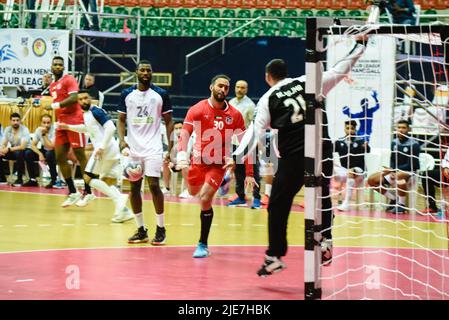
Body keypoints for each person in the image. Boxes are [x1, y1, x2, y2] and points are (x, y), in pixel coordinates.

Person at [234, 36, 368, 276]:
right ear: (287, 73)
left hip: (295, 156)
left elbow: (254, 132)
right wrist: (360, 45)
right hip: (322, 149)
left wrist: (236, 155)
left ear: (268, 77)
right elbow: (341, 68)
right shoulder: (309, 81)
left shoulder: (268, 99)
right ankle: (326, 240)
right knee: (321, 192)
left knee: (277, 205)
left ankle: (274, 256)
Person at [176, 74, 257, 258]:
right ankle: (216, 181)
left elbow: (246, 145)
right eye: (220, 86)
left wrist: (250, 172)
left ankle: (202, 243)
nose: (223, 89)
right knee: (193, 192)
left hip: (218, 164)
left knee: (205, 198)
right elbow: (185, 133)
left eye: (226, 87)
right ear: (211, 87)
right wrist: (181, 155)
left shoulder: (234, 115)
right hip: (197, 163)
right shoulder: (197, 109)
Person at [117, 60, 174, 244]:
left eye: (148, 70)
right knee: (133, 188)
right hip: (133, 150)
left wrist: (171, 147)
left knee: (154, 185)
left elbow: (169, 121)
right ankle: (141, 229)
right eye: (142, 70)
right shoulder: (126, 94)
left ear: (152, 73)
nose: (145, 73)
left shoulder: (160, 94)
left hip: (153, 148)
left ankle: (161, 228)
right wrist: (122, 141)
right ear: (136, 72)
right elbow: (121, 119)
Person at [58, 90, 133, 223]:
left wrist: (101, 146)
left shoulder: (96, 111)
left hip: (104, 150)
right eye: (80, 99)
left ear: (90, 98)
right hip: (109, 151)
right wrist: (68, 127)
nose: (83, 101)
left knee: (88, 178)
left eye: (85, 98)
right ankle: (123, 212)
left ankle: (118, 198)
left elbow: (111, 128)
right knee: (107, 181)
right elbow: (87, 129)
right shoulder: (86, 114)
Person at [44, 56, 93, 207]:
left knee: (80, 155)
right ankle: (73, 192)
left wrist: (54, 106)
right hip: (61, 122)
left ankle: (89, 191)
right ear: (51, 67)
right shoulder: (53, 85)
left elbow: (73, 98)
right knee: (59, 157)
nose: (58, 67)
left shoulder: (69, 79)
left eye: (60, 65)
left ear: (63, 67)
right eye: (55, 64)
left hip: (74, 119)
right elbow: (56, 101)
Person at [367, 120, 420, 214]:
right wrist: (391, 170)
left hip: (410, 173)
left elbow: (413, 164)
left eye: (403, 128)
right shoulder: (394, 142)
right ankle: (394, 199)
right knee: (371, 180)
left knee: (399, 175)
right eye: (399, 127)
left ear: (408, 129)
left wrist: (395, 171)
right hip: (396, 172)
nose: (401, 130)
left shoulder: (414, 144)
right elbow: (392, 159)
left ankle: (402, 205)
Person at [226, 80, 261, 209]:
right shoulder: (231, 103)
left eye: (243, 88)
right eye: (238, 87)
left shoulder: (251, 105)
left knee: (253, 171)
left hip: (248, 142)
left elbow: (255, 126)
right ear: (234, 88)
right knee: (239, 171)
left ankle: (256, 198)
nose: (240, 89)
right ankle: (241, 197)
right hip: (235, 142)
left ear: (246, 90)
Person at [334, 120, 370, 211]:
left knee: (351, 173)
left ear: (355, 129)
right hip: (344, 170)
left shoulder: (360, 141)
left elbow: (368, 150)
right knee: (327, 165)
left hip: (359, 171)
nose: (350, 130)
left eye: (352, 129)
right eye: (347, 128)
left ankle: (346, 204)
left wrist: (366, 147)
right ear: (344, 129)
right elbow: (329, 150)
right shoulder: (339, 141)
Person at [0, 112, 36, 186]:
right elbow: (4, 142)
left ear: (20, 121)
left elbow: (22, 147)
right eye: (13, 120)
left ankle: (19, 179)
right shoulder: (7, 129)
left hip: (26, 149)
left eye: (17, 120)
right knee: (0, 153)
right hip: (14, 150)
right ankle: (2, 178)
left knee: (20, 153)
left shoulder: (24, 130)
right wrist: (2, 149)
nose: (15, 122)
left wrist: (8, 149)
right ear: (10, 121)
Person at [28, 114, 58, 188]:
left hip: (55, 151)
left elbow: (51, 146)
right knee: (28, 153)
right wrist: (40, 154)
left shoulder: (55, 129)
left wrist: (44, 135)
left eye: (48, 123)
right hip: (44, 150)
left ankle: (54, 180)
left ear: (51, 123)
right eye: (44, 122)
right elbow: (32, 145)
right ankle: (33, 179)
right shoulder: (38, 130)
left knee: (49, 154)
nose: (46, 125)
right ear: (41, 123)